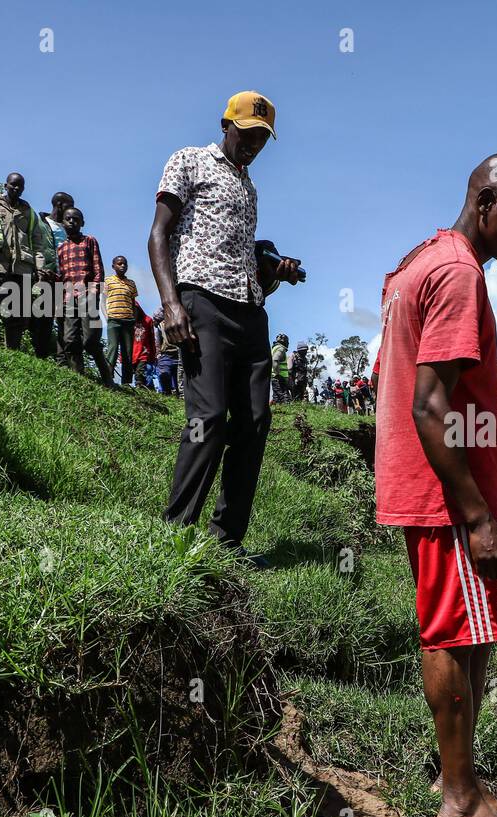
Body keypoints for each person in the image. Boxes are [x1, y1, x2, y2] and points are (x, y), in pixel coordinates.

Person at [373, 153, 497, 817]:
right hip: (449, 496)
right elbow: (428, 403)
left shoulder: (421, 259)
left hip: (430, 485)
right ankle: (458, 797)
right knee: (455, 633)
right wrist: (476, 516)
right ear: (484, 203)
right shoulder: (458, 274)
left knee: (471, 633)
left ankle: (464, 781)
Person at [149, 91, 301, 563]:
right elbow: (158, 234)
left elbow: (242, 257)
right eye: (248, 134)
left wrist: (271, 272)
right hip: (201, 301)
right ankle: (175, 536)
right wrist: (171, 304)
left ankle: (226, 542)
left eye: (262, 138)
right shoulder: (189, 161)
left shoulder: (249, 187)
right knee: (208, 417)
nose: (254, 144)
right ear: (226, 125)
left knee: (255, 421)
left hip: (249, 311)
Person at [0, 172, 57, 353]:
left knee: (17, 314)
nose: (16, 188)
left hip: (22, 268)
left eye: (20, 186)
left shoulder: (29, 213)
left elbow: (37, 243)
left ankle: (12, 352)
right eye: (13, 185)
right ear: (5, 185)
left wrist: (39, 268)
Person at [55, 207, 111, 383]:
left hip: (88, 296)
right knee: (70, 340)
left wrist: (95, 290)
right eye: (68, 219)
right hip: (68, 299)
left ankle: (107, 379)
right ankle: (79, 377)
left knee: (90, 342)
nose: (71, 222)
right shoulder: (61, 248)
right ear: (62, 222)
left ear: (82, 223)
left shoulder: (89, 241)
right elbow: (60, 276)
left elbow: (97, 268)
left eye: (76, 219)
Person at [39, 191, 72, 361]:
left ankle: (62, 359)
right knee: (43, 318)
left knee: (64, 320)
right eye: (69, 206)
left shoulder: (69, 228)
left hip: (65, 280)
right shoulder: (41, 223)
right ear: (59, 205)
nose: (71, 210)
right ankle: (41, 355)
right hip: (47, 276)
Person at [103, 256, 142, 385]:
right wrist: (106, 315)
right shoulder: (108, 281)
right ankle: (108, 378)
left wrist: (135, 320)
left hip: (128, 321)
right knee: (112, 349)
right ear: (113, 266)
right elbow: (103, 300)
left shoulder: (131, 283)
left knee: (127, 353)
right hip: (113, 320)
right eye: (119, 264)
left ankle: (126, 382)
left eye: (125, 264)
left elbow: (133, 303)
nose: (122, 266)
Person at [132, 305, 157, 389]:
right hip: (132, 353)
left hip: (144, 353)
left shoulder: (148, 321)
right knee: (137, 373)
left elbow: (152, 338)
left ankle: (140, 387)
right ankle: (148, 389)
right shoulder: (128, 322)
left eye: (134, 310)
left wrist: (153, 355)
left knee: (140, 373)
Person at [270, 332, 289, 403]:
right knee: (285, 399)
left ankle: (276, 412)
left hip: (275, 377)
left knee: (277, 398)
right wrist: (278, 374)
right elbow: (275, 360)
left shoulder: (274, 348)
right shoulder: (281, 349)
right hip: (279, 378)